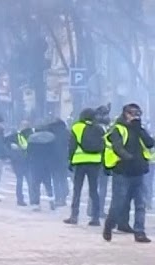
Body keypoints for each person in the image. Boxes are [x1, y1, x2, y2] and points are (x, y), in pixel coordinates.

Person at [102, 103, 153, 243]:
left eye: (137, 113)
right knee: (118, 203)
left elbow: (150, 143)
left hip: (139, 171)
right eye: (132, 113)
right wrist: (128, 157)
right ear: (125, 114)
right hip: (123, 171)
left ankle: (139, 232)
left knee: (140, 204)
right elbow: (117, 147)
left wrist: (139, 129)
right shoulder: (117, 129)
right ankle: (109, 225)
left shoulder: (139, 129)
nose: (135, 116)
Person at [64, 108, 106, 227]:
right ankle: (95, 217)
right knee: (94, 190)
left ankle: (74, 216)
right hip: (95, 162)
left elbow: (72, 145)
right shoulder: (99, 128)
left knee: (77, 189)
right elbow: (104, 145)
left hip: (80, 162)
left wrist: (70, 160)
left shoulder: (77, 127)